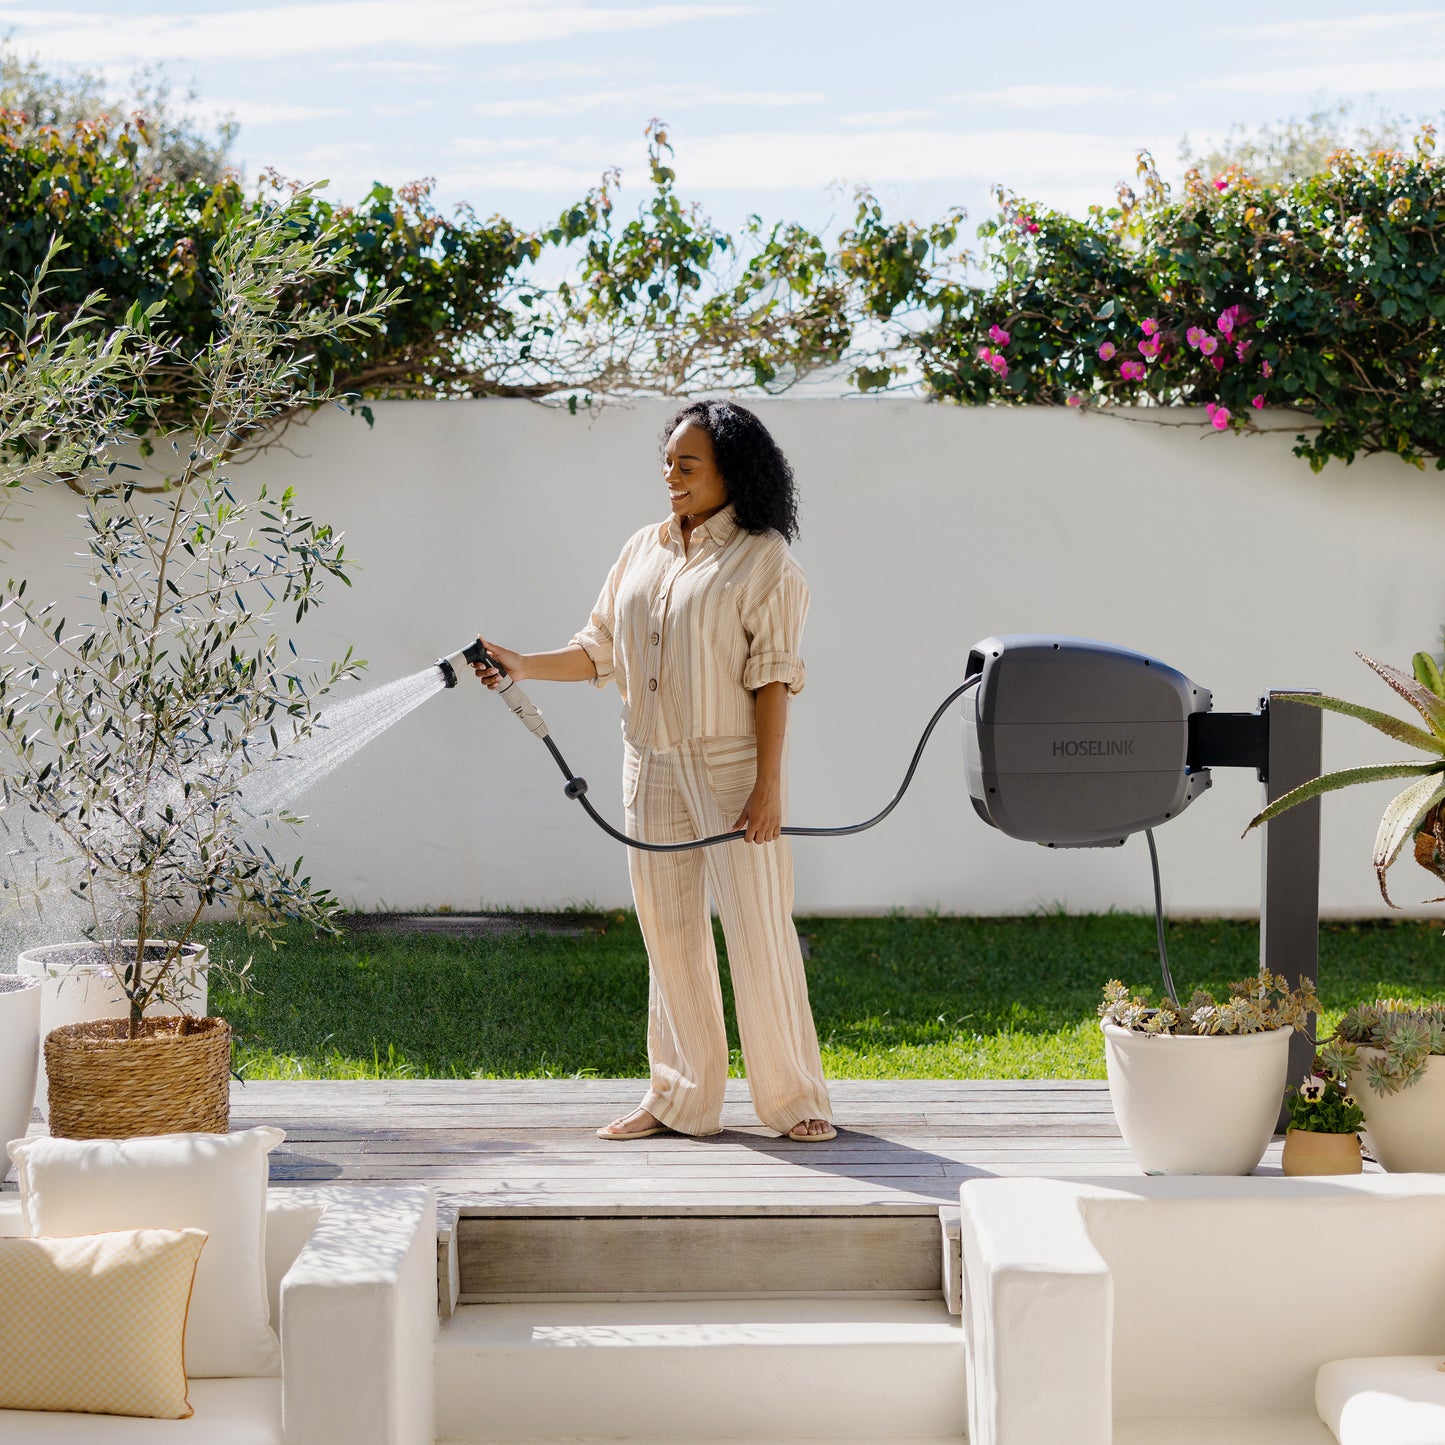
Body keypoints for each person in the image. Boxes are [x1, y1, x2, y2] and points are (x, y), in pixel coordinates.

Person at [473, 399, 835, 1143]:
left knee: (757, 931)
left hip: (733, 768)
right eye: (666, 462)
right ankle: (679, 1098)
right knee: (668, 938)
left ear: (729, 471)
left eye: (687, 464)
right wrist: (519, 663)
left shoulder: (764, 558)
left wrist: (768, 786)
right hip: (649, 764)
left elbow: (772, 678)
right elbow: (597, 650)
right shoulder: (642, 548)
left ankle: (794, 1098)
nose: (669, 476)